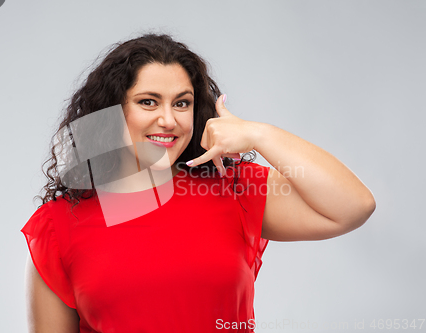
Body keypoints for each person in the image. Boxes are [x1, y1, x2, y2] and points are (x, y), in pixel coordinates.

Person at [21, 33, 376, 333]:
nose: (168, 120)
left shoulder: (231, 187)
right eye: (148, 102)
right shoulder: (58, 226)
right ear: (113, 110)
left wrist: (258, 134)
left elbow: (353, 206)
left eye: (182, 103)